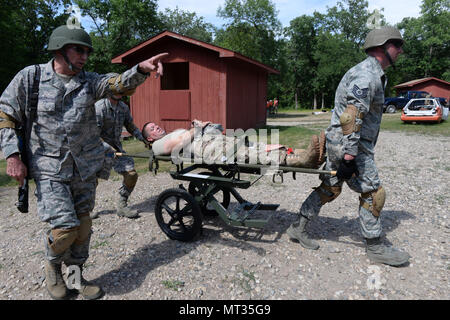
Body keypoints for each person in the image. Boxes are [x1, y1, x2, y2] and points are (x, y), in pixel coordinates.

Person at [0, 24, 168, 299]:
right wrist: (12, 155)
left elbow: (116, 83)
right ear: (60, 49)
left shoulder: (89, 82)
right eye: (79, 50)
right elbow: (5, 114)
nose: (84, 56)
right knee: (65, 229)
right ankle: (53, 268)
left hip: (85, 167)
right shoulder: (31, 78)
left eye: (87, 52)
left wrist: (140, 69)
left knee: (83, 227)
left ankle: (76, 277)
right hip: (49, 168)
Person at [286, 26, 411, 267]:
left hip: (340, 143)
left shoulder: (371, 73)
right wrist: (349, 157)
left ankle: (297, 227)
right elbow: (351, 118)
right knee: (374, 193)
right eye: (397, 45)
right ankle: (375, 246)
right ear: (383, 46)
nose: (400, 50)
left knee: (330, 189)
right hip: (350, 146)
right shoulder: (366, 75)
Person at [142, 120, 326, 169]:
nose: (156, 128)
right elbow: (179, 143)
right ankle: (301, 161)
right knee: (249, 155)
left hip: (211, 140)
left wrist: (201, 126)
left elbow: (189, 135)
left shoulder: (172, 132)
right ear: (150, 138)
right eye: (152, 129)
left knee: (254, 146)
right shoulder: (158, 145)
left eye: (156, 125)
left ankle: (303, 153)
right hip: (206, 149)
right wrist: (197, 128)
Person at [93, 92, 149, 219]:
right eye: (115, 89)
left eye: (121, 89)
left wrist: (143, 139)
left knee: (131, 174)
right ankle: (85, 210)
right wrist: (108, 148)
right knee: (90, 181)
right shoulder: (99, 107)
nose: (119, 92)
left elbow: (130, 126)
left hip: (117, 149)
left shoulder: (123, 107)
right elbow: (93, 135)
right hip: (96, 149)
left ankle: (122, 205)